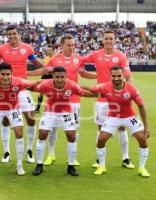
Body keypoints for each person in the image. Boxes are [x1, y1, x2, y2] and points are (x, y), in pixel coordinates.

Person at [0, 25, 45, 163]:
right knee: (5, 120)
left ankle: (29, 150)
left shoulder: (27, 48)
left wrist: (43, 70)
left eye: (14, 33)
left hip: (22, 89)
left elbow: (37, 63)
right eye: (10, 34)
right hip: (6, 89)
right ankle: (6, 152)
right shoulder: (1, 49)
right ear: (7, 35)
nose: (12, 36)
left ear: (18, 34)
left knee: (31, 119)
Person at [28, 34, 96, 166]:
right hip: (56, 101)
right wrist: (28, 73)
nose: (71, 47)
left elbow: (83, 73)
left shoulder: (78, 59)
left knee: (74, 129)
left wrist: (100, 76)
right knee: (52, 129)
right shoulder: (54, 59)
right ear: (62, 45)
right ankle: (51, 154)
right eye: (68, 45)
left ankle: (72, 158)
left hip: (74, 99)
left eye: (73, 45)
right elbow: (44, 70)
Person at [83, 30, 134, 168]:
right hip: (102, 99)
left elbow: (128, 76)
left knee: (122, 128)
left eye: (111, 38)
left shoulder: (121, 56)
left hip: (118, 99)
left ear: (114, 40)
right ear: (102, 40)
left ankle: (126, 158)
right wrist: (90, 75)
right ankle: (99, 159)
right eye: (106, 38)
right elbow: (79, 62)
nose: (109, 41)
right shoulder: (95, 55)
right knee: (101, 130)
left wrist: (130, 93)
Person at [31, 67, 96, 176]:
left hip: (66, 112)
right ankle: (39, 165)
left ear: (66, 76)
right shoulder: (46, 84)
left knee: (71, 136)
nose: (60, 79)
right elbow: (34, 88)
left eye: (62, 77)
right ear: (53, 76)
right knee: (42, 135)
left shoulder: (71, 85)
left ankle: (71, 166)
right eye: (57, 77)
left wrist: (102, 95)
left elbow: (84, 93)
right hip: (50, 112)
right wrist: (19, 86)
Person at [0, 63, 38, 175]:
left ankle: (19, 165)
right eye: (3, 74)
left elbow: (35, 84)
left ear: (11, 74)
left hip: (13, 109)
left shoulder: (19, 81)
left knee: (19, 134)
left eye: (8, 74)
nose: (5, 77)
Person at [87, 66, 150, 177]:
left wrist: (146, 127)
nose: (116, 78)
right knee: (101, 139)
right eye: (114, 76)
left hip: (130, 117)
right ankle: (101, 166)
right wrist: (73, 86)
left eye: (119, 76)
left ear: (123, 76)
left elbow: (141, 106)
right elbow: (91, 89)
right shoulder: (105, 86)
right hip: (113, 117)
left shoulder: (132, 89)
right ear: (110, 76)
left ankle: (142, 168)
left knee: (142, 140)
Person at [34, 46, 54, 113]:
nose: (49, 51)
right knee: (41, 92)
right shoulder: (46, 58)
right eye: (48, 50)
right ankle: (37, 108)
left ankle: (52, 108)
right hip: (45, 76)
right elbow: (46, 67)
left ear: (53, 51)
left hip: (52, 77)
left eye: (50, 50)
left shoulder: (55, 58)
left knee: (52, 93)